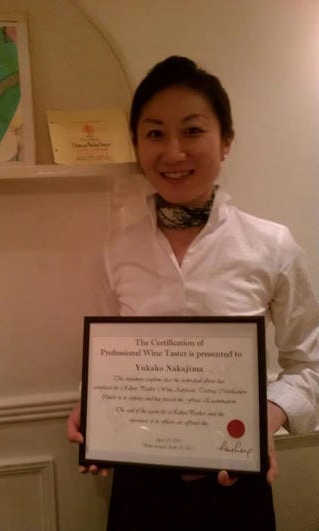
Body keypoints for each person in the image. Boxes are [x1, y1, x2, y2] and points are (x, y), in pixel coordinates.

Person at [67, 56, 319, 530]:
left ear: (226, 141)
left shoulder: (272, 246)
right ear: (137, 145)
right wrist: (92, 409)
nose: (174, 152)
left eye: (193, 131)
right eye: (155, 133)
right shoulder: (116, 254)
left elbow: (310, 363)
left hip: (236, 481)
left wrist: (267, 416)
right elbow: (103, 364)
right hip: (138, 484)